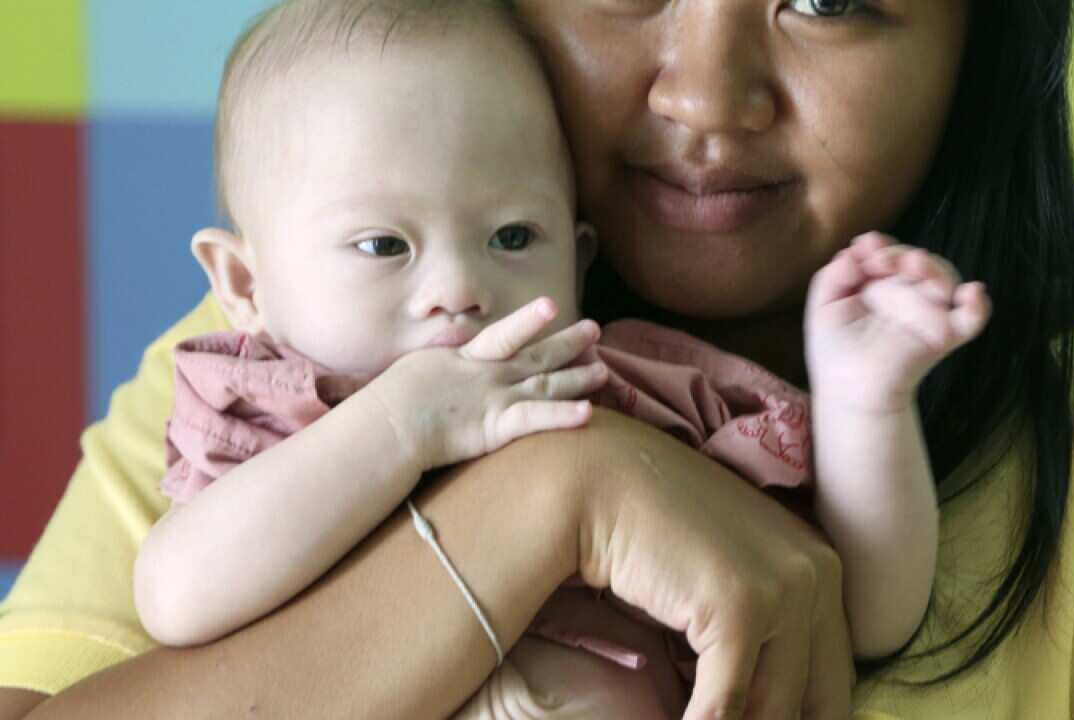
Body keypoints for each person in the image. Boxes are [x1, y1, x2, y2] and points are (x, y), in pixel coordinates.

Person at [2, 0, 1074, 717]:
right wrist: (559, 501)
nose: (705, 95)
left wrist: (863, 399)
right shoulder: (285, 350)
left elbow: (866, 601)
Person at [127, 1, 987, 716]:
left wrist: (864, 405)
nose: (459, 288)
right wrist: (405, 423)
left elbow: (865, 611)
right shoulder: (267, 409)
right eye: (384, 244)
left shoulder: (624, 389)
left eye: (512, 236)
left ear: (576, 261)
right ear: (243, 280)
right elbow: (175, 595)